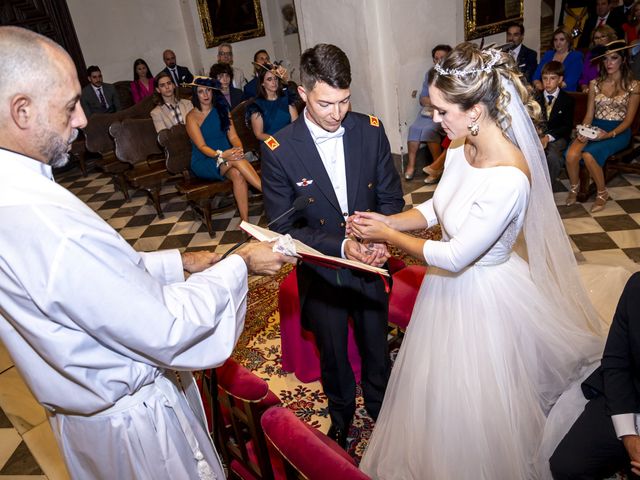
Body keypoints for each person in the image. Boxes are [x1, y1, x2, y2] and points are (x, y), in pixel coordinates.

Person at [0, 26, 294, 480]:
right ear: (22, 111)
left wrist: (179, 261)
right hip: (135, 433)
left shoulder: (17, 196)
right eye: (69, 106)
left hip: (88, 425)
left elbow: (101, 282)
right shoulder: (45, 223)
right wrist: (241, 262)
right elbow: (165, 325)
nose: (81, 121)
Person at [352, 42, 605, 479]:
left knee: (482, 401)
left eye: (441, 111)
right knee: (437, 391)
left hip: (484, 294)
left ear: (474, 111)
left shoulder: (509, 177)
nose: (434, 120)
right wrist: (387, 218)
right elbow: (437, 208)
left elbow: (455, 255)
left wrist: (388, 236)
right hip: (445, 288)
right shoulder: (458, 145)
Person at [261, 43, 404, 449]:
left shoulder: (370, 130)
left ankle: (381, 408)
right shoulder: (279, 150)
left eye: (344, 101)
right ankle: (341, 416)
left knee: (376, 344)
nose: (337, 113)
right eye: (326, 103)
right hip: (322, 271)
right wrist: (342, 246)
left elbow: (391, 198)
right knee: (334, 355)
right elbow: (285, 226)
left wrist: (382, 237)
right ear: (303, 94)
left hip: (372, 263)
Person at [550, 272, 640, 480]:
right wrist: (628, 435)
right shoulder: (637, 286)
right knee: (567, 466)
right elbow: (616, 362)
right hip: (630, 397)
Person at [565, 40, 640, 213]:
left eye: (613, 58)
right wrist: (583, 130)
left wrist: (606, 135)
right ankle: (574, 188)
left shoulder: (634, 86)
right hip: (595, 126)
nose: (609, 63)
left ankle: (602, 192)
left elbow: (628, 121)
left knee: (589, 154)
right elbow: (589, 114)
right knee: (571, 154)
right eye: (605, 59)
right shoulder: (595, 84)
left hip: (618, 131)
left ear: (623, 60)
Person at [186, 77, 262, 222]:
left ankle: (245, 222)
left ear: (213, 91)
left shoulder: (222, 110)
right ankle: (267, 190)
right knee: (235, 160)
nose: (206, 95)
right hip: (206, 160)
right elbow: (201, 147)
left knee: (238, 175)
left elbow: (233, 136)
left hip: (228, 156)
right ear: (195, 95)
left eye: (208, 90)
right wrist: (222, 155)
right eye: (201, 92)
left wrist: (238, 149)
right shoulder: (191, 117)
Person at [404, 44, 452, 180]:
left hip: (445, 112)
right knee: (414, 128)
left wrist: (437, 102)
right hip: (429, 111)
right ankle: (411, 166)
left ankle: (437, 167)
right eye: (436, 59)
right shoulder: (430, 74)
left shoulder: (454, 74)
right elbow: (423, 97)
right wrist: (434, 102)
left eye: (442, 58)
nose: (438, 62)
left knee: (428, 131)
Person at [537, 61, 575, 182]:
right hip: (537, 135)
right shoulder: (535, 98)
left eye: (552, 78)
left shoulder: (567, 100)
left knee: (553, 157)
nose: (548, 82)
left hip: (558, 137)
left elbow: (567, 126)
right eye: (545, 78)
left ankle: (548, 185)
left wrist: (548, 137)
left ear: (560, 79)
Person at [247, 64, 298, 141]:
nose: (274, 82)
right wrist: (277, 144)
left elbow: (296, 124)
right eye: (269, 79)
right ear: (262, 83)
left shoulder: (286, 98)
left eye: (275, 79)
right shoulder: (257, 105)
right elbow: (259, 134)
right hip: (270, 144)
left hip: (289, 140)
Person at [533, 27, 584, 92]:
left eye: (562, 40)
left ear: (568, 41)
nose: (558, 43)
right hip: (545, 91)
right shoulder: (548, 54)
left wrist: (547, 87)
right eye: (555, 40)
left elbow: (569, 82)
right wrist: (538, 84)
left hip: (566, 94)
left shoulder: (576, 56)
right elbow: (536, 76)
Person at [578, 24, 618, 92]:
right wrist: (585, 88)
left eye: (603, 36)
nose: (600, 40)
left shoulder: (616, 54)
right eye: (596, 38)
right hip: (591, 92)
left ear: (610, 38)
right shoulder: (590, 55)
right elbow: (584, 79)